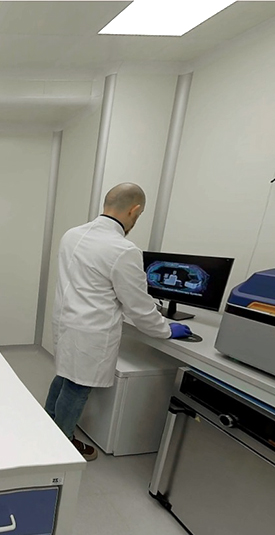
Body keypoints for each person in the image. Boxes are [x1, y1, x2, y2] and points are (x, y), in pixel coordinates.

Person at [47, 183, 192, 461]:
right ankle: (61, 445)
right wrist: (165, 329)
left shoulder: (72, 235)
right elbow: (138, 306)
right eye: (139, 215)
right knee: (77, 387)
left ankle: (47, 429)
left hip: (67, 321)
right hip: (90, 329)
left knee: (64, 376)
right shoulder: (123, 249)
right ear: (134, 210)